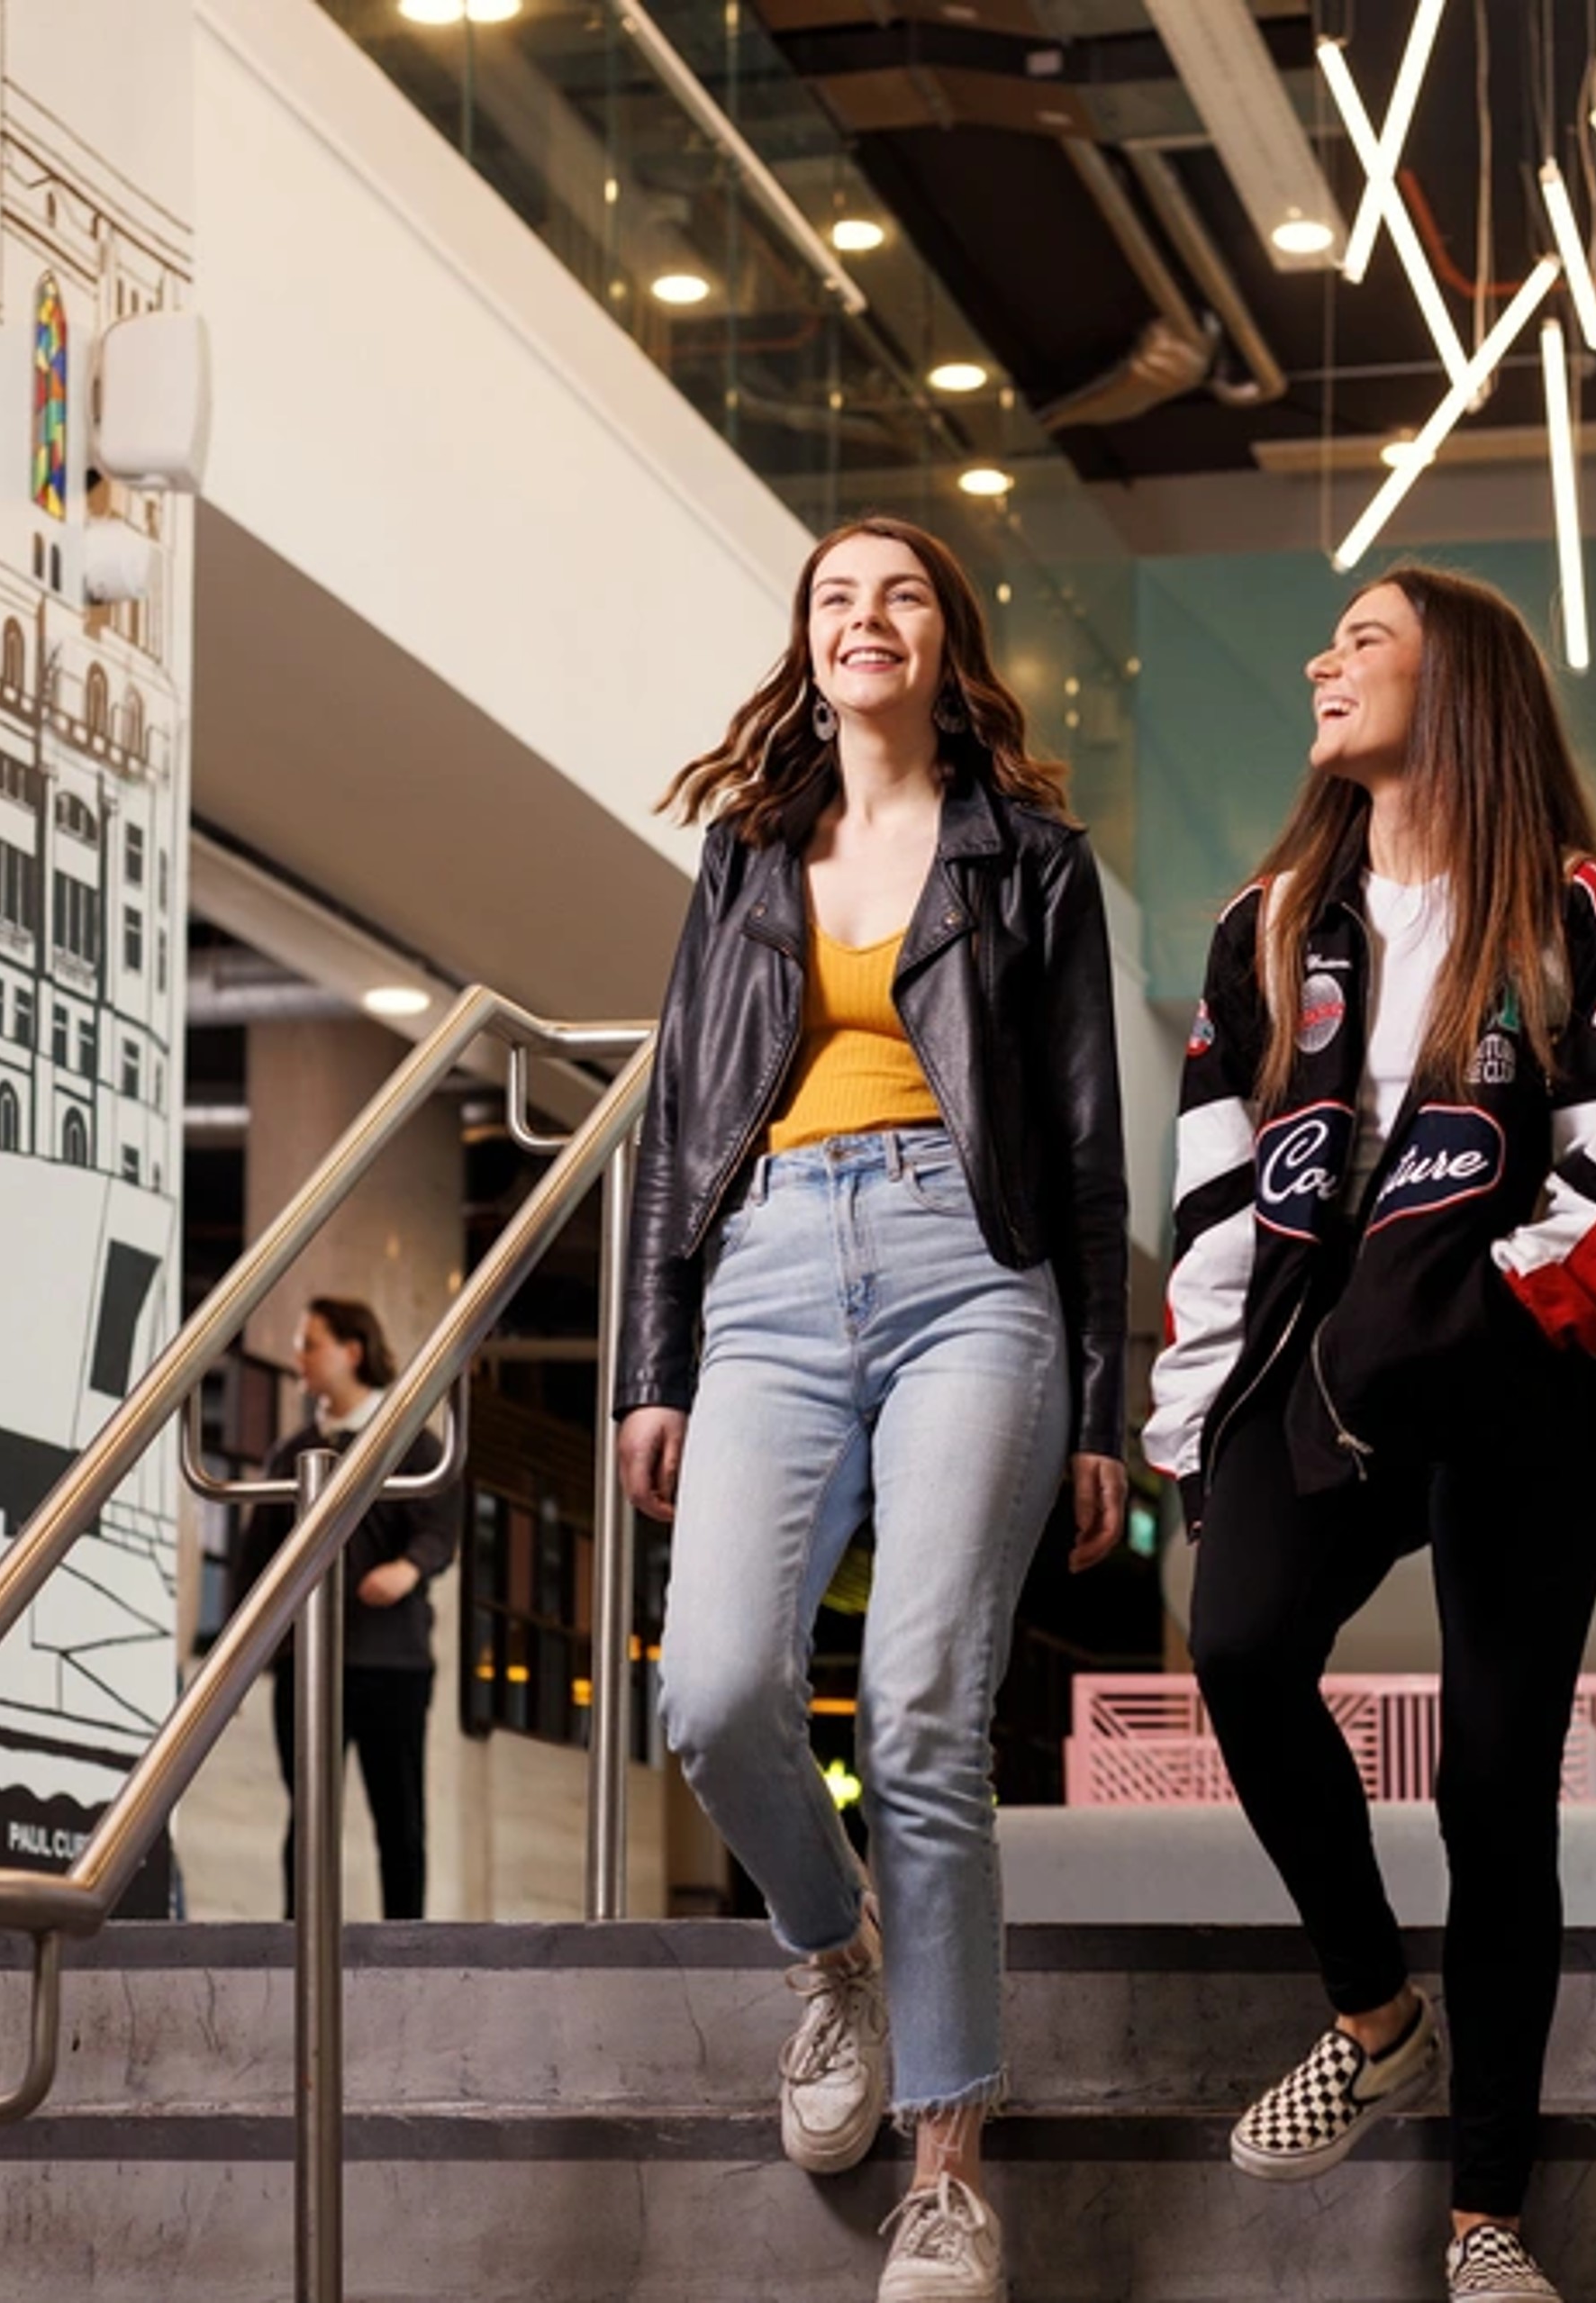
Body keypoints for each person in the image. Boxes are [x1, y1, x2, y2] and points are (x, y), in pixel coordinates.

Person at [1146, 565, 1596, 2303]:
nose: (1323, 659)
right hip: (1322, 1369)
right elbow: (1217, 1187)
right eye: (1325, 638)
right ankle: (1377, 2014)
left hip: (1522, 1370)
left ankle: (1486, 2225)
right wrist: (1199, 1402)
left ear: (1455, 682)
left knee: (1490, 1783)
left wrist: (1470, 1314)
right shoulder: (1267, 923)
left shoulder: (1574, 906)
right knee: (1237, 1644)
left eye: (1364, 638)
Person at [612, 514, 1130, 2303]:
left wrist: (1100, 1404)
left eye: (900, 592)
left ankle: (948, 2170)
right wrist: (650, 1364)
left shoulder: (1030, 859)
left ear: (946, 640)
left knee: (921, 1701)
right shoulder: (747, 856)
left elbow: (1082, 1145)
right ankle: (832, 1947)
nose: (866, 616)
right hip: (764, 1272)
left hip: (971, 1270)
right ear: (807, 645)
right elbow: (678, 1117)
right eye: (836, 595)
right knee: (719, 1685)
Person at [222, 1295, 457, 1921]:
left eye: (310, 1342)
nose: (297, 1355)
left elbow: (440, 1528)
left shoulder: (410, 1441)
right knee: (308, 1818)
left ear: (351, 1351)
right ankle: (299, 1946)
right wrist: (236, 1660)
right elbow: (255, 1562)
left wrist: (407, 1569)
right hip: (306, 1666)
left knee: (399, 1821)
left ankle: (409, 1950)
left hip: (392, 1664)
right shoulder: (290, 1452)